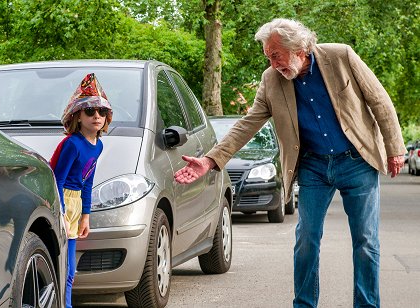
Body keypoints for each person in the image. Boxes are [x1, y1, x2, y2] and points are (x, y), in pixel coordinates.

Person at [174, 18, 406, 308]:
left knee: (366, 241)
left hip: (356, 161)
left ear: (299, 48)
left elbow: (379, 100)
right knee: (307, 240)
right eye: (268, 57)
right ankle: (304, 305)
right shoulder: (271, 79)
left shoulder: (340, 56)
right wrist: (210, 160)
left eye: (276, 55)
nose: (273, 64)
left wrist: (395, 148)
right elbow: (247, 124)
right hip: (313, 167)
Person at [50, 73, 112, 308]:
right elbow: (58, 178)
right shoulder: (72, 144)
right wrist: (63, 214)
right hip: (62, 200)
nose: (97, 116)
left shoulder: (98, 145)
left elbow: (88, 181)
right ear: (77, 115)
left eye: (102, 112)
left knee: (71, 270)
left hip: (76, 205)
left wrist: (86, 215)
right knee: (64, 265)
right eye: (90, 111)